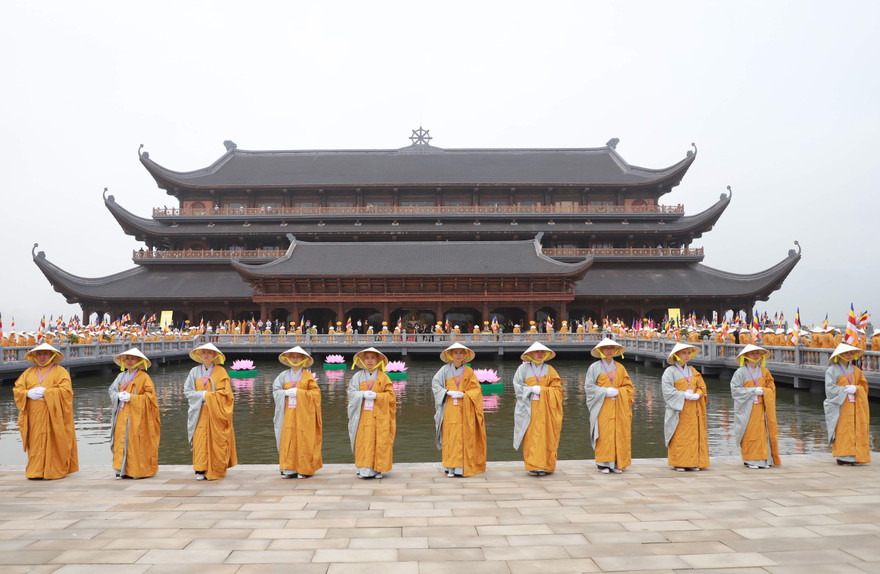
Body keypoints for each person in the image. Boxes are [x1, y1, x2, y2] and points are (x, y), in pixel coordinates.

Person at [12, 342, 78, 479]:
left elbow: (67, 393)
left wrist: (48, 392)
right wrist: (27, 393)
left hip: (53, 417)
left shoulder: (61, 372)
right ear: (35, 356)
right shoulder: (28, 373)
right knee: (35, 443)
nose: (42, 357)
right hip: (34, 416)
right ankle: (35, 471)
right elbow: (17, 390)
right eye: (39, 354)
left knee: (54, 442)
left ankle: (53, 470)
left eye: (45, 354)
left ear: (52, 355)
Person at [183, 343, 237, 480]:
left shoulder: (221, 372)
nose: (206, 355)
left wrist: (207, 396)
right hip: (199, 412)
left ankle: (217, 469)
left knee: (217, 439)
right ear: (199, 355)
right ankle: (200, 469)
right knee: (200, 439)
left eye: (209, 353)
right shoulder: (194, 372)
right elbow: (188, 391)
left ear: (214, 355)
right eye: (203, 353)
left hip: (216, 413)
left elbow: (226, 394)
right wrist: (199, 396)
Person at [432, 342, 486, 477]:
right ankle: (450, 466)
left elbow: (477, 390)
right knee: (450, 436)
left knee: (464, 436)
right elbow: (435, 384)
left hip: (465, 409)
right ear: (450, 355)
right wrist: (446, 392)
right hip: (449, 407)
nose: (458, 355)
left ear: (465, 355)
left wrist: (465, 395)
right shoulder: (444, 370)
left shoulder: (469, 371)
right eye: (455, 353)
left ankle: (461, 467)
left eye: (461, 353)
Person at [512, 342, 563, 476]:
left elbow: (558, 390)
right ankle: (533, 465)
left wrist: (543, 390)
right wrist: (530, 389)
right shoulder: (522, 370)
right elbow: (517, 388)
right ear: (530, 354)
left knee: (546, 436)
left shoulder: (550, 369)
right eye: (536, 352)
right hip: (529, 408)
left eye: (542, 352)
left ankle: (546, 465)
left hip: (547, 409)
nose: (540, 354)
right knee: (531, 436)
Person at [108, 347, 160, 479]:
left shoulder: (144, 377)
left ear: (138, 360)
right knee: (120, 440)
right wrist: (118, 395)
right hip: (121, 414)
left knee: (135, 441)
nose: (129, 361)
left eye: (132, 358)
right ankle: (120, 469)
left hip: (137, 416)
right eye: (126, 358)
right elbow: (112, 391)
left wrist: (132, 398)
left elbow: (150, 398)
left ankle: (135, 469)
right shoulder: (121, 376)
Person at [271, 346, 322, 478]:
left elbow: (316, 394)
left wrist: (299, 393)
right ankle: (288, 469)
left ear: (303, 359)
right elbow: (276, 391)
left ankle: (303, 469)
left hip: (304, 415)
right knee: (287, 438)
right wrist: (285, 393)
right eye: (292, 356)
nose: (295, 359)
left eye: (298, 356)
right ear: (288, 358)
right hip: (287, 414)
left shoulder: (307, 376)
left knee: (303, 439)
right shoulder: (282, 376)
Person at [584, 338, 634, 474]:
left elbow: (629, 387)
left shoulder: (620, 368)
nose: (609, 351)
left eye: (612, 348)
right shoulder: (594, 368)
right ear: (600, 351)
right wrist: (604, 391)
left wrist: (620, 391)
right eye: (606, 348)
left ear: (616, 350)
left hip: (618, 406)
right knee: (604, 433)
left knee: (619, 432)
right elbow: (589, 387)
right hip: (602, 406)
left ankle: (617, 463)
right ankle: (603, 463)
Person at [347, 347, 396, 479]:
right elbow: (351, 394)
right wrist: (362, 394)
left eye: (372, 358)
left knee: (378, 441)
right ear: (362, 360)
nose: (369, 361)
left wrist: (377, 396)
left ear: (378, 360)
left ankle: (378, 469)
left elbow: (391, 397)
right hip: (362, 416)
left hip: (379, 416)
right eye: (367, 358)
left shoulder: (384, 377)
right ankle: (362, 468)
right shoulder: (357, 377)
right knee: (363, 441)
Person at [729, 345, 781, 469]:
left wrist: (764, 391)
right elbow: (735, 390)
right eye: (753, 353)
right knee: (749, 433)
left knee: (763, 433)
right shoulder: (740, 372)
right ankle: (750, 459)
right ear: (746, 356)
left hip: (761, 408)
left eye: (758, 353)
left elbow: (771, 388)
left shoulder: (764, 371)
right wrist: (752, 391)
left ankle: (764, 459)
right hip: (746, 409)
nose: (756, 356)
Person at [661, 342, 709, 471]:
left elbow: (701, 387)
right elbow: (667, 391)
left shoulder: (693, 371)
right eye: (683, 353)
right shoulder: (669, 372)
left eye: (688, 353)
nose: (686, 356)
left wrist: (698, 394)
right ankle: (679, 462)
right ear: (677, 355)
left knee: (693, 436)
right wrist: (683, 395)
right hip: (678, 410)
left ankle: (693, 462)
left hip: (693, 410)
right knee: (679, 436)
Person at [823, 343, 871, 466]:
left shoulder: (857, 371)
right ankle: (841, 456)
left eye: (850, 353)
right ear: (839, 355)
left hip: (855, 405)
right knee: (842, 430)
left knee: (855, 429)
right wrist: (844, 390)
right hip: (840, 405)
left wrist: (856, 389)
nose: (849, 355)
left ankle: (854, 456)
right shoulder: (831, 370)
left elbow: (864, 387)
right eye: (846, 353)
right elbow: (830, 389)